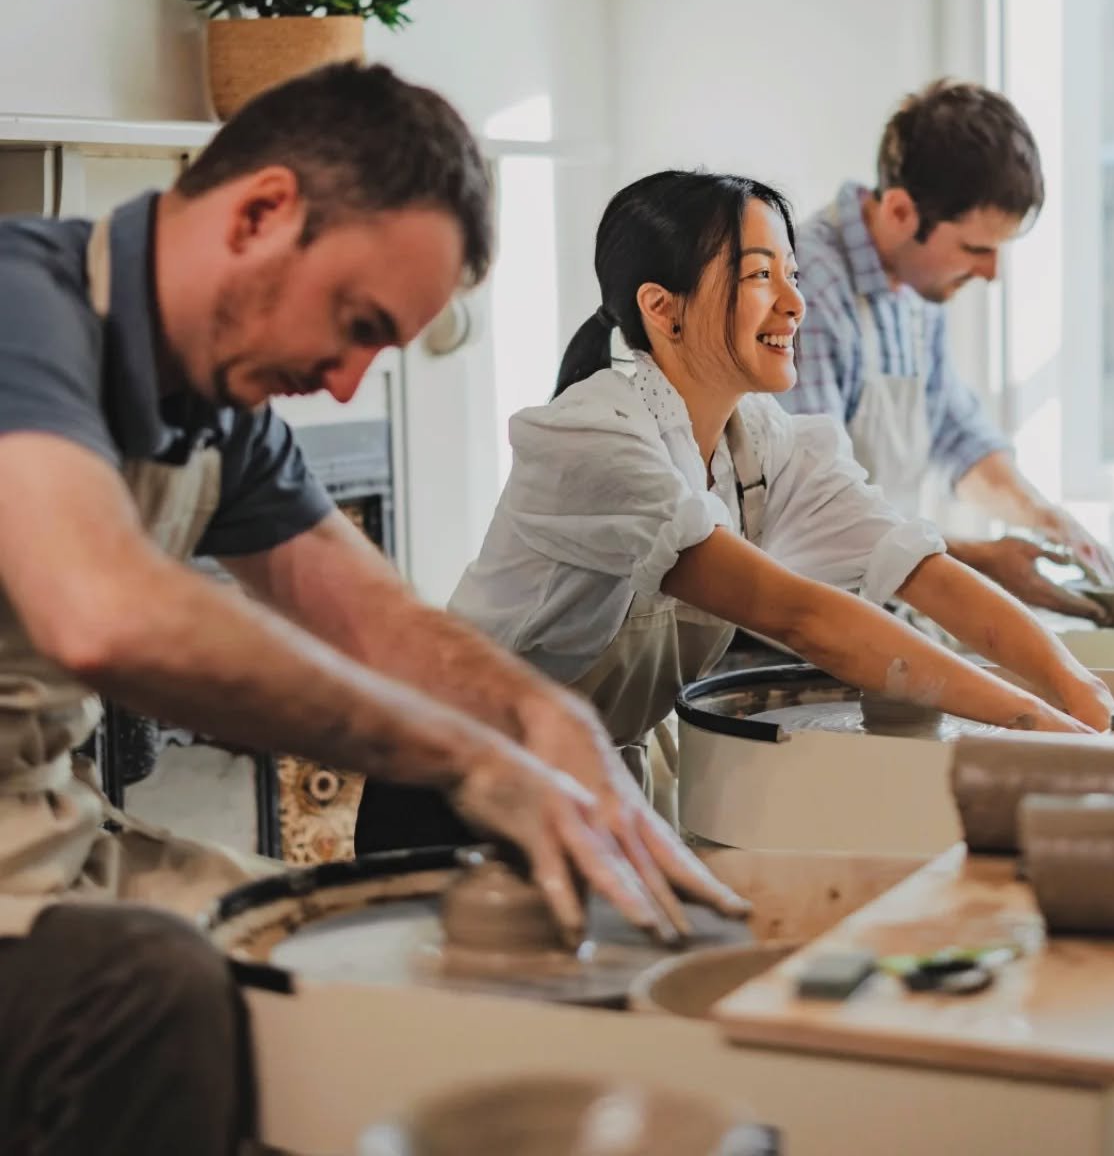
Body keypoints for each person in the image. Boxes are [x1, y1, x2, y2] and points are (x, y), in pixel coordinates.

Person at [0, 63, 742, 1154]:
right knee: (157, 992)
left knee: (352, 957)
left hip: (42, 838)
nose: (347, 386)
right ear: (260, 213)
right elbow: (106, 615)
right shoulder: (23, 311)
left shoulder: (217, 406)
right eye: (354, 323)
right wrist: (463, 757)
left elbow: (383, 628)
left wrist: (545, 726)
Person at [355, 170, 1114, 854]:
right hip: (452, 795)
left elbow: (919, 567)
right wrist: (1027, 727)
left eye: (792, 274)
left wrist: (1080, 696)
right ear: (663, 308)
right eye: (761, 277)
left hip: (574, 784)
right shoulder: (593, 439)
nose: (795, 302)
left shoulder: (764, 443)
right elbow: (800, 617)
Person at [778, 79, 1114, 624]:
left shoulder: (917, 292)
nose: (992, 273)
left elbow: (958, 438)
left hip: (878, 604)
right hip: (801, 625)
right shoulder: (805, 292)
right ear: (899, 212)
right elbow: (819, 513)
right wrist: (983, 562)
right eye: (976, 249)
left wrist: (1044, 520)